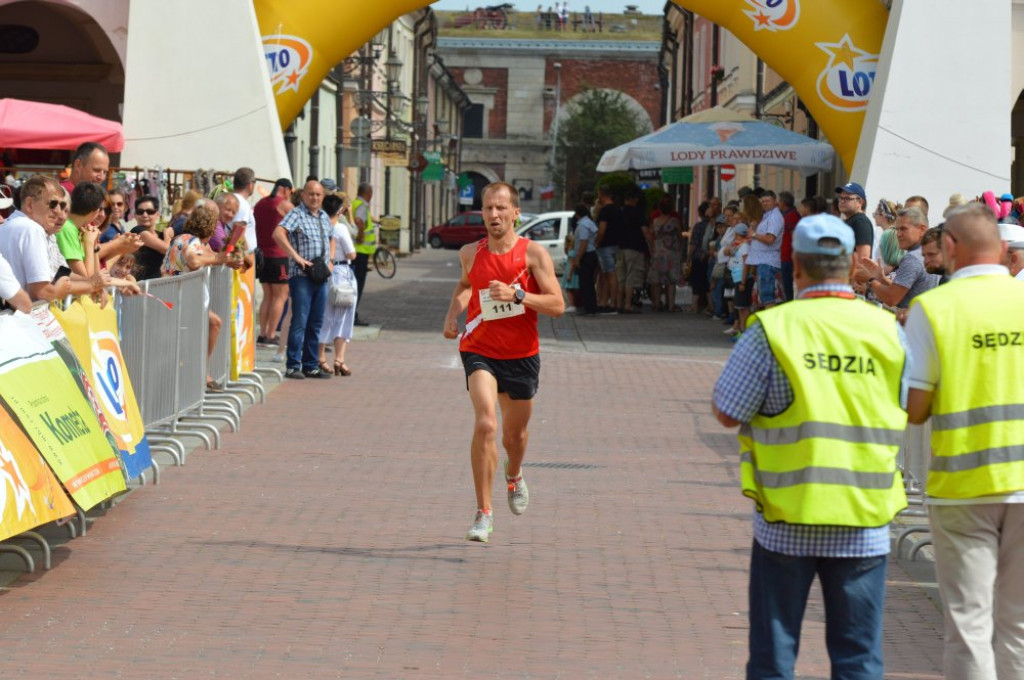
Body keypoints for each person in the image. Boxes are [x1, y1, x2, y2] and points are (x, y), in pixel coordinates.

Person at [713, 213, 910, 679]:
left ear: (797, 266)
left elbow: (728, 410)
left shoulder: (772, 329)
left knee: (774, 656)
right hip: (864, 517)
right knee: (858, 657)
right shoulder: (887, 330)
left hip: (788, 517)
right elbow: (912, 404)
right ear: (850, 266)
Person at [904, 202, 1024, 680]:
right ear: (1002, 251)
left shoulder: (934, 307)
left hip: (964, 485)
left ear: (950, 247)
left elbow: (915, 410)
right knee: (1017, 625)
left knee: (970, 625)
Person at [442, 181, 564, 543]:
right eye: (488, 209)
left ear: (515, 214)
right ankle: (483, 513)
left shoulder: (533, 255)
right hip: (479, 349)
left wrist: (519, 294)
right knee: (485, 424)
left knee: (516, 436)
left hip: (521, 356)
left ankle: (514, 474)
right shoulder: (470, 252)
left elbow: (557, 305)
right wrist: (453, 314)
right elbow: (465, 285)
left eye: (500, 209)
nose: (493, 215)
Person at [0, 175, 111, 302]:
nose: (59, 212)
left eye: (63, 207)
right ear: (30, 204)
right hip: (19, 317)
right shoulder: (30, 228)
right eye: (52, 204)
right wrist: (91, 285)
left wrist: (91, 283)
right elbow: (41, 292)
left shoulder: (24, 226)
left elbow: (60, 273)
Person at [160, 206, 233, 390]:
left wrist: (225, 257)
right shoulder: (192, 242)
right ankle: (199, 372)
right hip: (183, 299)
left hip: (177, 297)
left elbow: (205, 255)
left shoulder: (182, 238)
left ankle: (200, 371)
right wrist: (221, 259)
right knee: (197, 336)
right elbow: (194, 260)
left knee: (213, 323)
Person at [273, 180, 332, 380]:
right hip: (302, 277)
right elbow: (278, 233)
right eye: (311, 194)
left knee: (316, 322)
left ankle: (310, 364)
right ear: (304, 195)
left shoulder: (324, 216)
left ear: (322, 196)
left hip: (320, 276)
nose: (314, 198)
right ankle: (292, 364)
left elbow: (330, 238)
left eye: (318, 194)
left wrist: (330, 261)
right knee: (300, 320)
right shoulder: (297, 213)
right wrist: (295, 257)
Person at [855, 206, 939, 311]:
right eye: (897, 229)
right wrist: (880, 278)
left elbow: (891, 298)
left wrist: (870, 279)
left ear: (922, 229)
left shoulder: (912, 258)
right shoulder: (926, 254)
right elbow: (904, 291)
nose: (898, 234)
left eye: (903, 229)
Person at [317, 193, 357, 377]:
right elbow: (351, 254)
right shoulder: (340, 228)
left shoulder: (321, 225)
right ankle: (339, 358)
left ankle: (320, 356)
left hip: (325, 272)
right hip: (342, 273)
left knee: (325, 315)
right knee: (343, 315)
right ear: (340, 210)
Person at [255, 178, 294, 347]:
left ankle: (262, 333)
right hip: (279, 255)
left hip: (262, 255)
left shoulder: (259, 204)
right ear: (285, 190)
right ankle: (271, 334)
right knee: (281, 295)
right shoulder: (284, 205)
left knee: (268, 296)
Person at [646, 196, 684, 313]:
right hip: (672, 253)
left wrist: (652, 248)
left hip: (658, 252)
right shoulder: (675, 221)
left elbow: (651, 235)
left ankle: (656, 304)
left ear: (660, 209)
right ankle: (671, 305)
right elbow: (679, 236)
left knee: (656, 280)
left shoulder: (655, 221)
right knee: (671, 280)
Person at [746, 190, 783, 309]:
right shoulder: (766, 216)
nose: (765, 204)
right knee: (763, 297)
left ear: (775, 201)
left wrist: (754, 235)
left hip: (767, 262)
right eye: (762, 202)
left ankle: (771, 326)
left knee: (768, 297)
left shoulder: (774, 217)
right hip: (762, 261)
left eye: (767, 201)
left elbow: (770, 239)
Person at [615, 186, 649, 314]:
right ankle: (628, 305)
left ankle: (619, 304)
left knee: (621, 278)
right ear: (635, 199)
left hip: (620, 248)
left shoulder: (619, 212)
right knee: (631, 277)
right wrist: (651, 244)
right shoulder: (638, 213)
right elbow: (645, 231)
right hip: (634, 248)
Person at [350, 183, 376, 326]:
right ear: (368, 193)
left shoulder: (355, 203)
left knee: (355, 283)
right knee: (358, 284)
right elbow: (359, 221)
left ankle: (352, 314)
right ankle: (353, 315)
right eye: (371, 193)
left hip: (358, 251)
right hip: (361, 251)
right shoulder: (362, 205)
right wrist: (360, 235)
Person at [594, 186, 622, 314]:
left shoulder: (605, 211)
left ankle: (612, 303)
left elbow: (602, 230)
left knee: (610, 274)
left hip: (606, 246)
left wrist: (596, 242)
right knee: (609, 274)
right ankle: (605, 302)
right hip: (617, 244)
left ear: (602, 194)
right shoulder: (618, 209)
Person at [130, 195, 171, 281]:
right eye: (140, 212)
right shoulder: (138, 232)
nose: (145, 215)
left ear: (157, 214)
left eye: (150, 211)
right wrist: (168, 235)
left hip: (161, 283)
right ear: (135, 215)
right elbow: (167, 249)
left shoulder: (160, 235)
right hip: (143, 284)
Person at [569, 202, 598, 315]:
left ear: (577, 214)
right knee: (589, 282)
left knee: (586, 283)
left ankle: (588, 307)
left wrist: (577, 259)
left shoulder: (583, 225)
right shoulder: (589, 223)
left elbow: (584, 243)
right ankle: (590, 306)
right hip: (591, 254)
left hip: (586, 255)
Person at [835, 182, 874, 263]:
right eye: (840, 198)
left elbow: (863, 259)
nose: (842, 201)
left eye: (847, 198)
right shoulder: (850, 221)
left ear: (860, 202)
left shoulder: (861, 222)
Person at [777, 191, 799, 302]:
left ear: (784, 202)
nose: (778, 203)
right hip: (784, 256)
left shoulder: (791, 216)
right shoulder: (786, 215)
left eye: (779, 201)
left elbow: (794, 237)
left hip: (788, 257)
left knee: (788, 287)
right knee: (786, 287)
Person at [230, 167, 258, 251]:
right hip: (241, 258)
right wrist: (248, 257)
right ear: (250, 185)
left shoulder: (229, 199)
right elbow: (238, 232)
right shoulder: (242, 204)